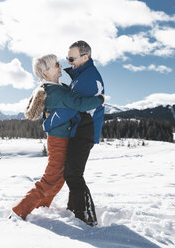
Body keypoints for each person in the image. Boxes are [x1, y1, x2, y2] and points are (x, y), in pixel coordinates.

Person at [11, 54, 104, 220]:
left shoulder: (57, 87)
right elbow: (80, 103)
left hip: (61, 138)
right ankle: (19, 211)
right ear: (46, 72)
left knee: (59, 178)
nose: (60, 66)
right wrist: (99, 100)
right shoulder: (55, 92)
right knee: (51, 179)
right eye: (56, 65)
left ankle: (41, 207)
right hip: (58, 141)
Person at [43, 41, 105, 226]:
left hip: (85, 130)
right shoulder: (81, 75)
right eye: (67, 58)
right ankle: (75, 210)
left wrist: (48, 121)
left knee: (73, 174)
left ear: (85, 57)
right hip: (79, 129)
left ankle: (85, 216)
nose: (69, 62)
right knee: (72, 172)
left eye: (72, 58)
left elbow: (70, 109)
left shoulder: (87, 79)